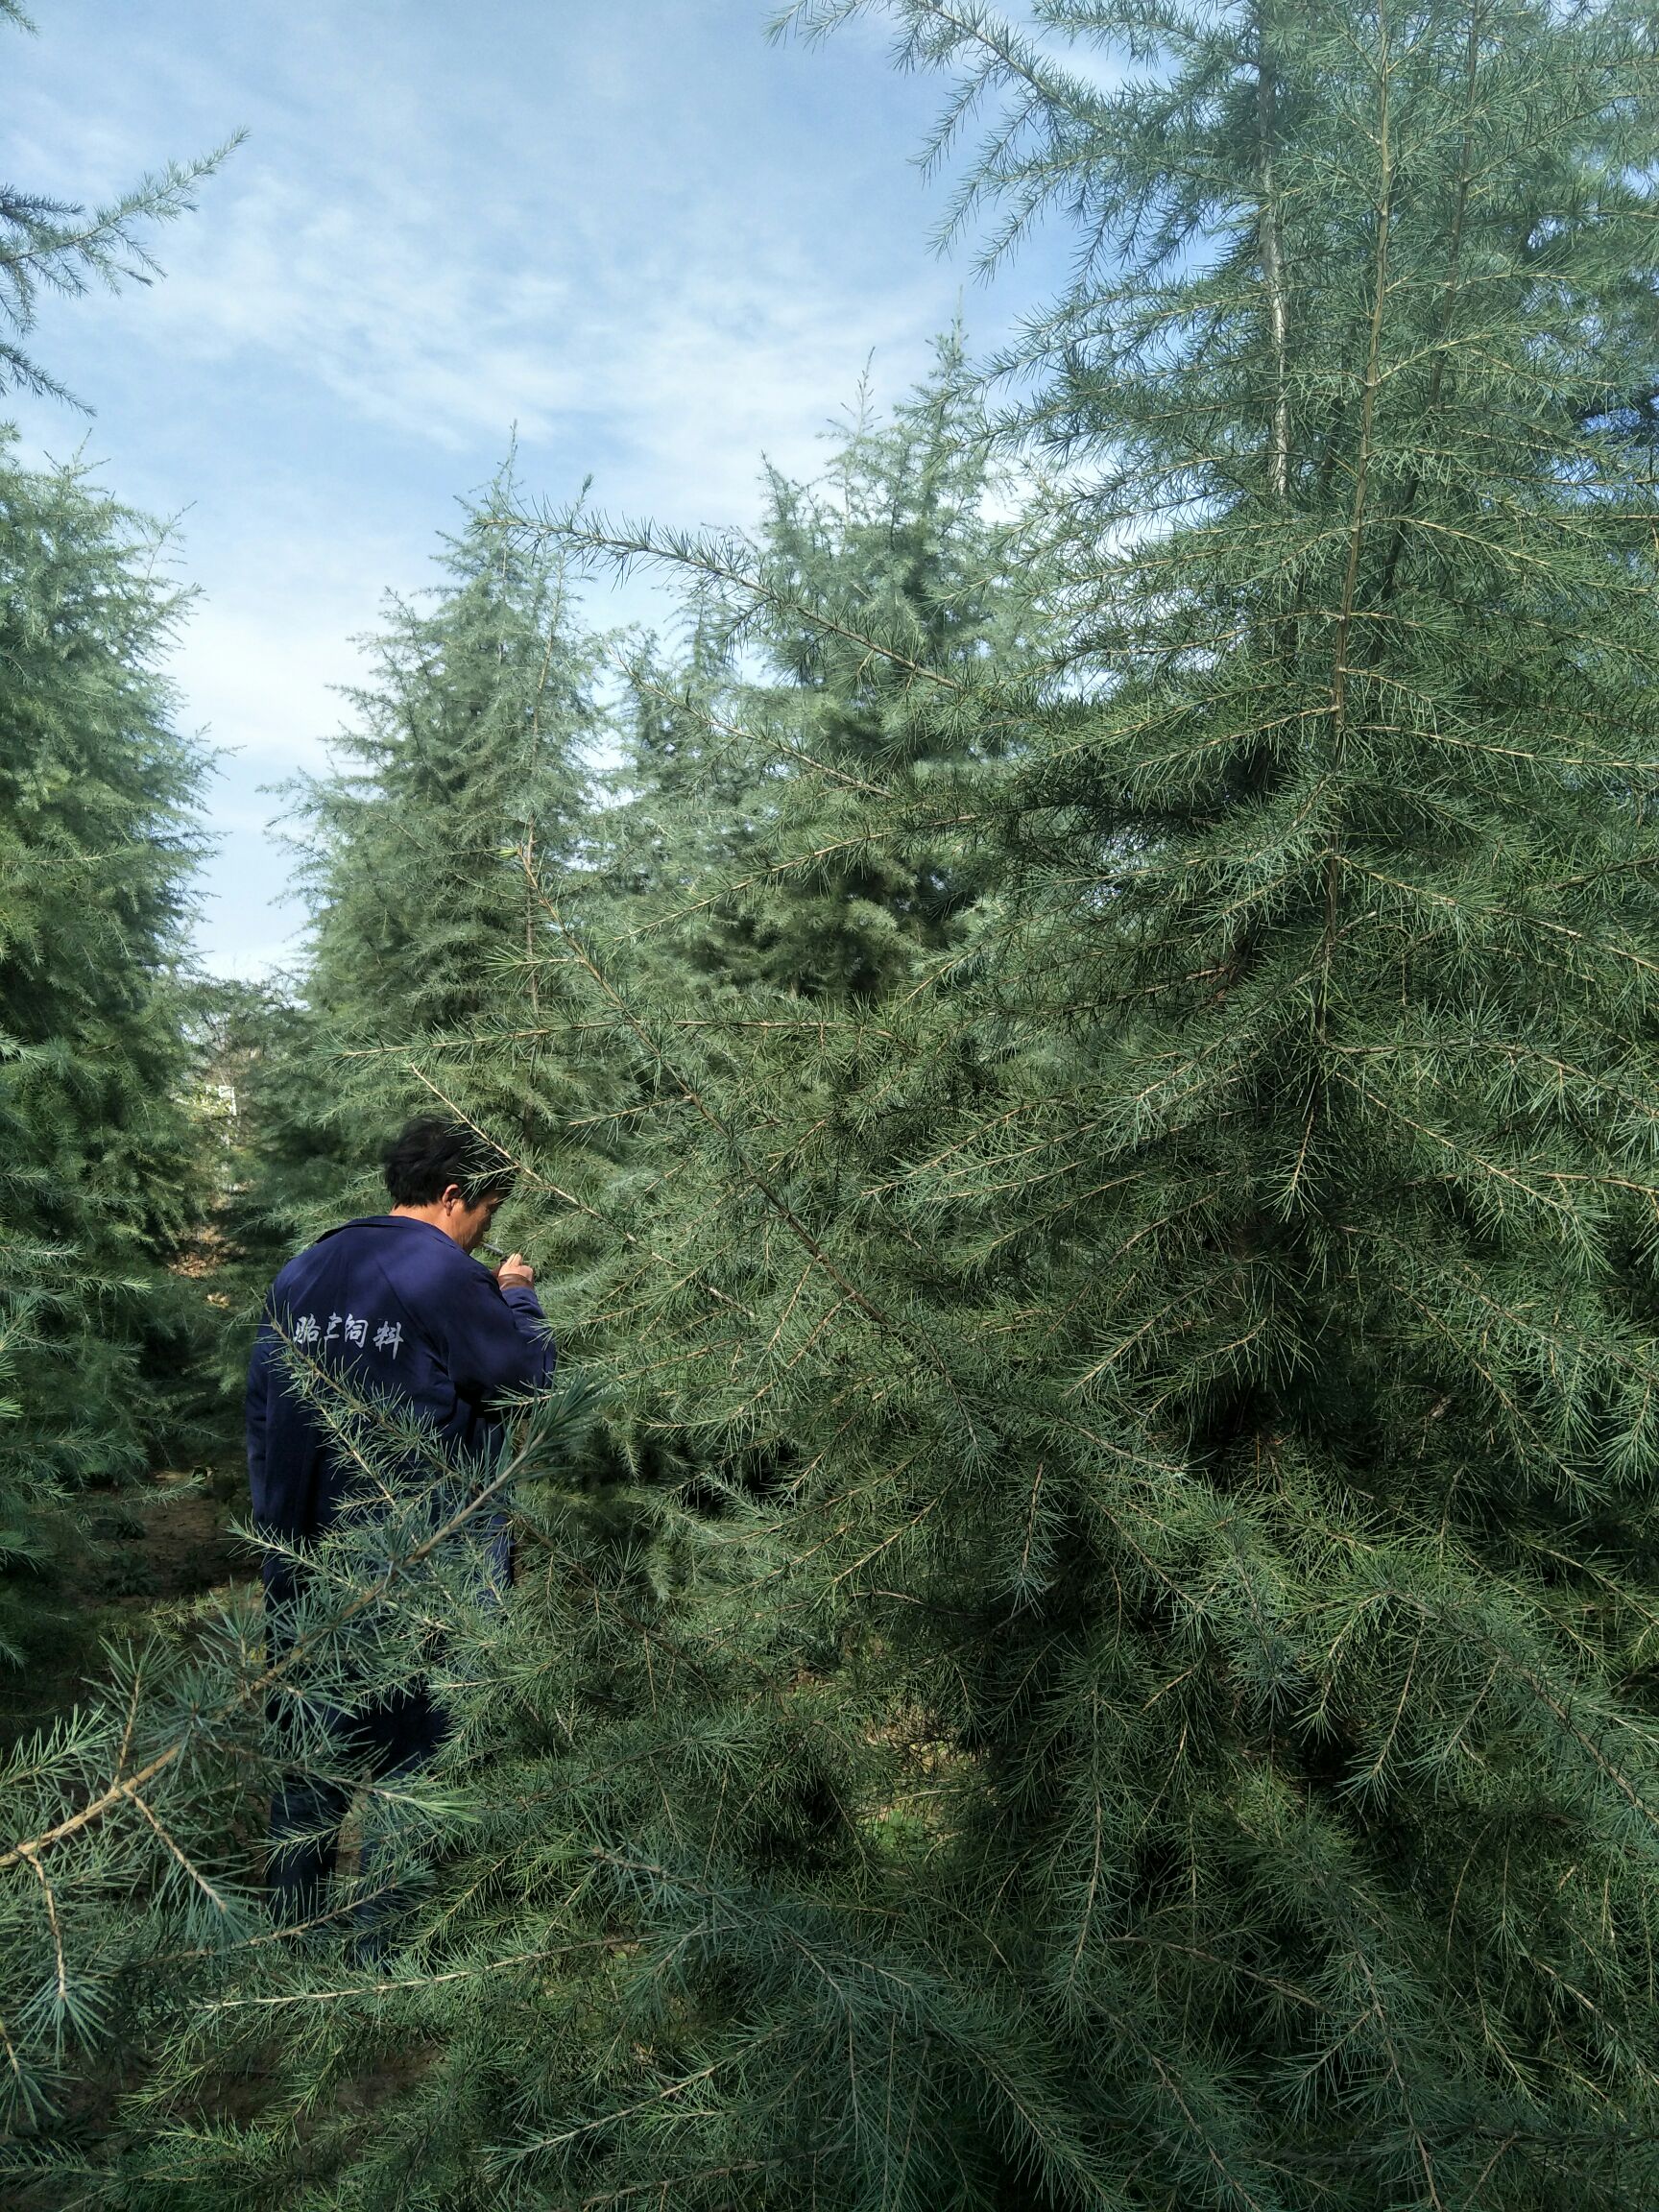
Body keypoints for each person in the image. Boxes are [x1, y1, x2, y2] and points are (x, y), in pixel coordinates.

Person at [245, 1114, 555, 1926]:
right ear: (456, 1196)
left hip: (305, 1558)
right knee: (409, 1757)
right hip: (423, 1561)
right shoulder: (444, 1274)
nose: (485, 1232)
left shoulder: (301, 1270)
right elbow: (524, 1380)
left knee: (311, 1756)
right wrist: (516, 1297)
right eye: (487, 1213)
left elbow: (262, 1418)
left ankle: (291, 1945)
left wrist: (279, 1537)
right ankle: (380, 1968)